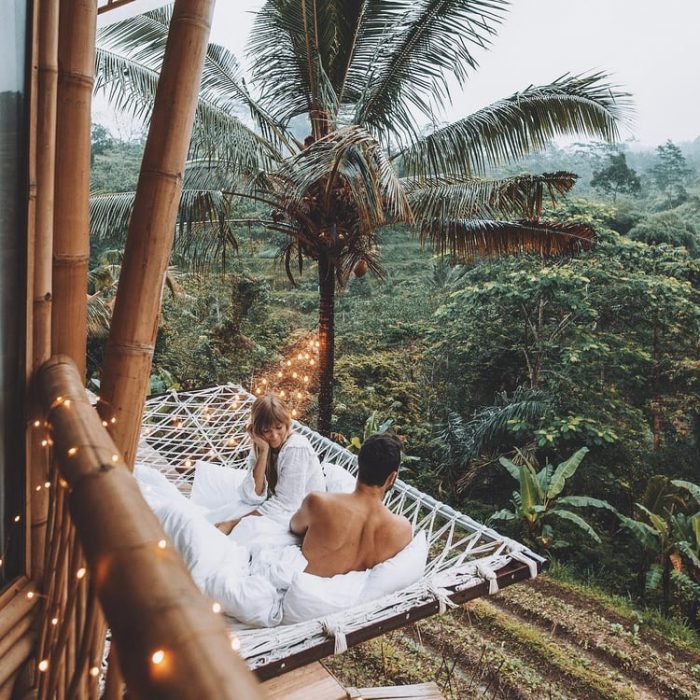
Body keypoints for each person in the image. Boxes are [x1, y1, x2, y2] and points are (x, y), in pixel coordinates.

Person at [290, 433, 413, 577]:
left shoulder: (318, 502)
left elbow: (295, 527)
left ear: (359, 464)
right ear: (392, 477)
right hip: (361, 599)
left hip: (305, 593)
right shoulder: (402, 531)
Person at [214, 394, 324, 534]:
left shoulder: (296, 447)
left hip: (300, 515)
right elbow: (252, 495)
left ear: (287, 424)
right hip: (277, 508)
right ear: (258, 430)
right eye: (267, 430)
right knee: (227, 513)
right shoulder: (262, 445)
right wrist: (264, 452)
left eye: (279, 427)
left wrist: (234, 523)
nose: (274, 435)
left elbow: (287, 503)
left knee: (242, 530)